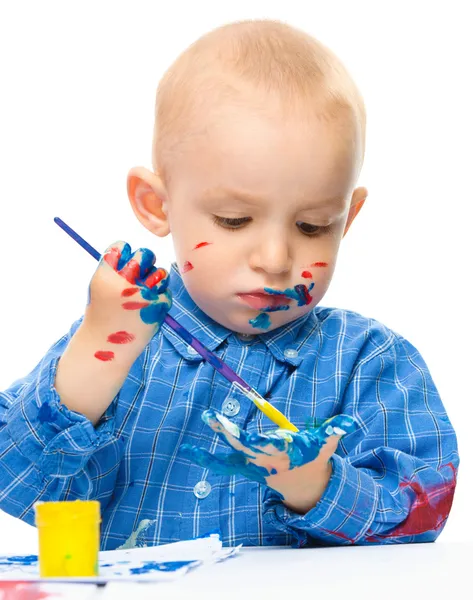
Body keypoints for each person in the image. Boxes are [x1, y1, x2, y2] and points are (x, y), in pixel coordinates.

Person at [0, 19, 458, 550]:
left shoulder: (369, 362)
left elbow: (425, 517)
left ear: (348, 216)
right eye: (234, 220)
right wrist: (93, 362)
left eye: (313, 226)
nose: (275, 259)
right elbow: (18, 485)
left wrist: (316, 487)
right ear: (156, 205)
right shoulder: (121, 340)